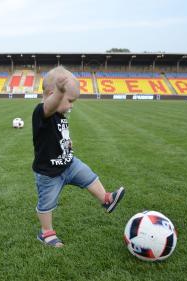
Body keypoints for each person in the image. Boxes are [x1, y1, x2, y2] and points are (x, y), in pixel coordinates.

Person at [32, 66, 125, 248]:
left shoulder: (60, 114)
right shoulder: (41, 112)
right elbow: (49, 106)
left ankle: (106, 199)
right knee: (47, 202)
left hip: (69, 163)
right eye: (70, 100)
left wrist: (67, 142)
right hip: (49, 173)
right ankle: (46, 232)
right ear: (52, 94)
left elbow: (58, 135)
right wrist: (60, 92)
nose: (72, 105)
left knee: (89, 176)